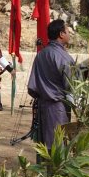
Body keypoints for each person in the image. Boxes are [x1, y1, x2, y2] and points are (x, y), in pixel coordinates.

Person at [27, 19, 74, 150]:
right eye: (68, 32)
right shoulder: (64, 57)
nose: (69, 35)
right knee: (57, 147)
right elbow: (71, 86)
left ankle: (45, 171)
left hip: (42, 107)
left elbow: (32, 87)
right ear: (61, 34)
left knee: (44, 147)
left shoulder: (40, 54)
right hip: (59, 108)